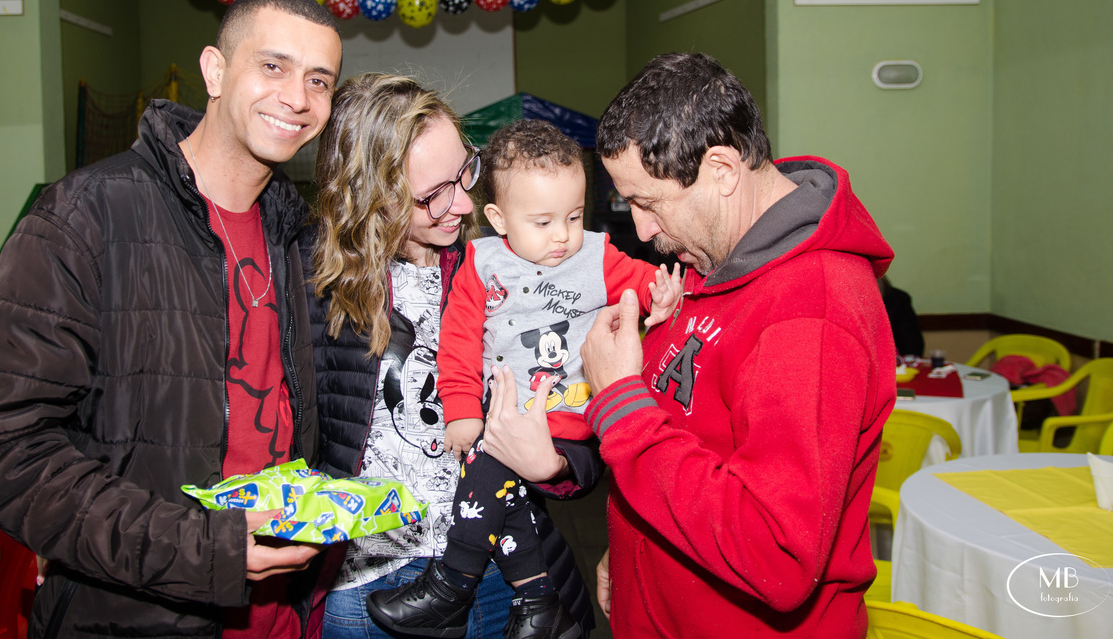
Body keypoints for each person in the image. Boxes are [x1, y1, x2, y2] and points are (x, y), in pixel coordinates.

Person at [0, 0, 341, 637]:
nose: (297, 97)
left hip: (285, 616)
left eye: (319, 80)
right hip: (136, 617)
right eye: (273, 66)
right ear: (215, 70)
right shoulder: (85, 216)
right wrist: (205, 550)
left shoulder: (295, 234)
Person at [580, 53, 898, 638]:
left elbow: (775, 553)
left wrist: (621, 405)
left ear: (723, 169)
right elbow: (689, 430)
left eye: (648, 203)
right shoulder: (712, 257)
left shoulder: (812, 311)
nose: (642, 230)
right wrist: (630, 550)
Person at [306, 77, 602, 639]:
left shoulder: (501, 269)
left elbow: (575, 400)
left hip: (506, 573)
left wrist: (559, 466)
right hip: (373, 584)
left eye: (465, 171)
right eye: (433, 194)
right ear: (369, 193)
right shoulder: (308, 284)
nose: (463, 203)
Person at [366, 119, 680, 638]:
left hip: (572, 419)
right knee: (499, 494)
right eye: (543, 221)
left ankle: (453, 582)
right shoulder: (481, 265)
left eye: (574, 216)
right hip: (506, 420)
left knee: (485, 478)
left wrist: (661, 294)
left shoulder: (595, 256)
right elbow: (459, 344)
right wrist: (464, 412)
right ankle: (538, 603)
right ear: (498, 218)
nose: (562, 236)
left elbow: (642, 283)